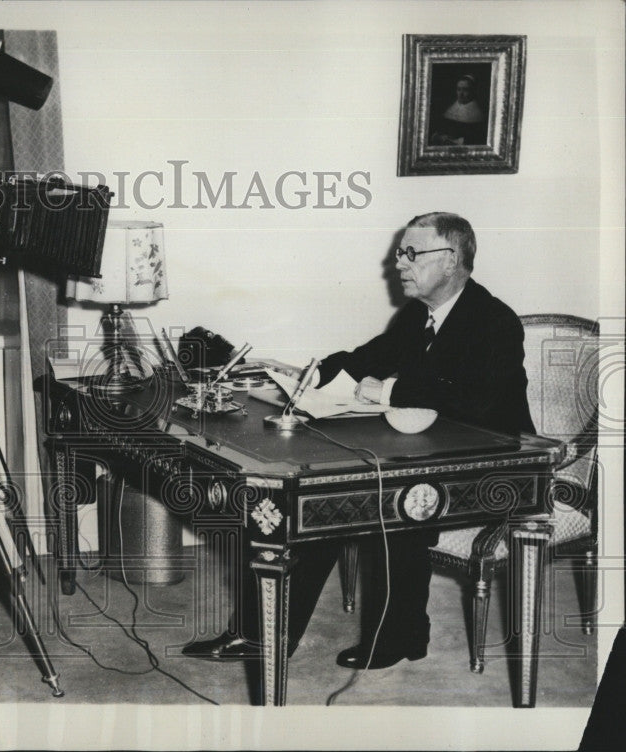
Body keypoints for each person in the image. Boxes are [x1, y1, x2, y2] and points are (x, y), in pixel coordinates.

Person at [182, 211, 534, 671]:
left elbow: (473, 401)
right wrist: (305, 372)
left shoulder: (495, 321)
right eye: (399, 253)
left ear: (450, 260)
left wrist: (386, 391)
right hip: (433, 453)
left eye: (411, 253)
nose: (399, 264)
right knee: (323, 502)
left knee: (384, 505)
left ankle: (399, 634)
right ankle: (263, 635)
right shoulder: (419, 316)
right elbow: (367, 357)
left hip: (495, 468)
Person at [429, 74, 487, 146]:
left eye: (465, 90)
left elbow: (475, 141)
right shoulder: (450, 110)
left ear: (473, 91)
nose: (461, 94)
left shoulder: (478, 115)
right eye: (459, 89)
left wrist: (455, 141)